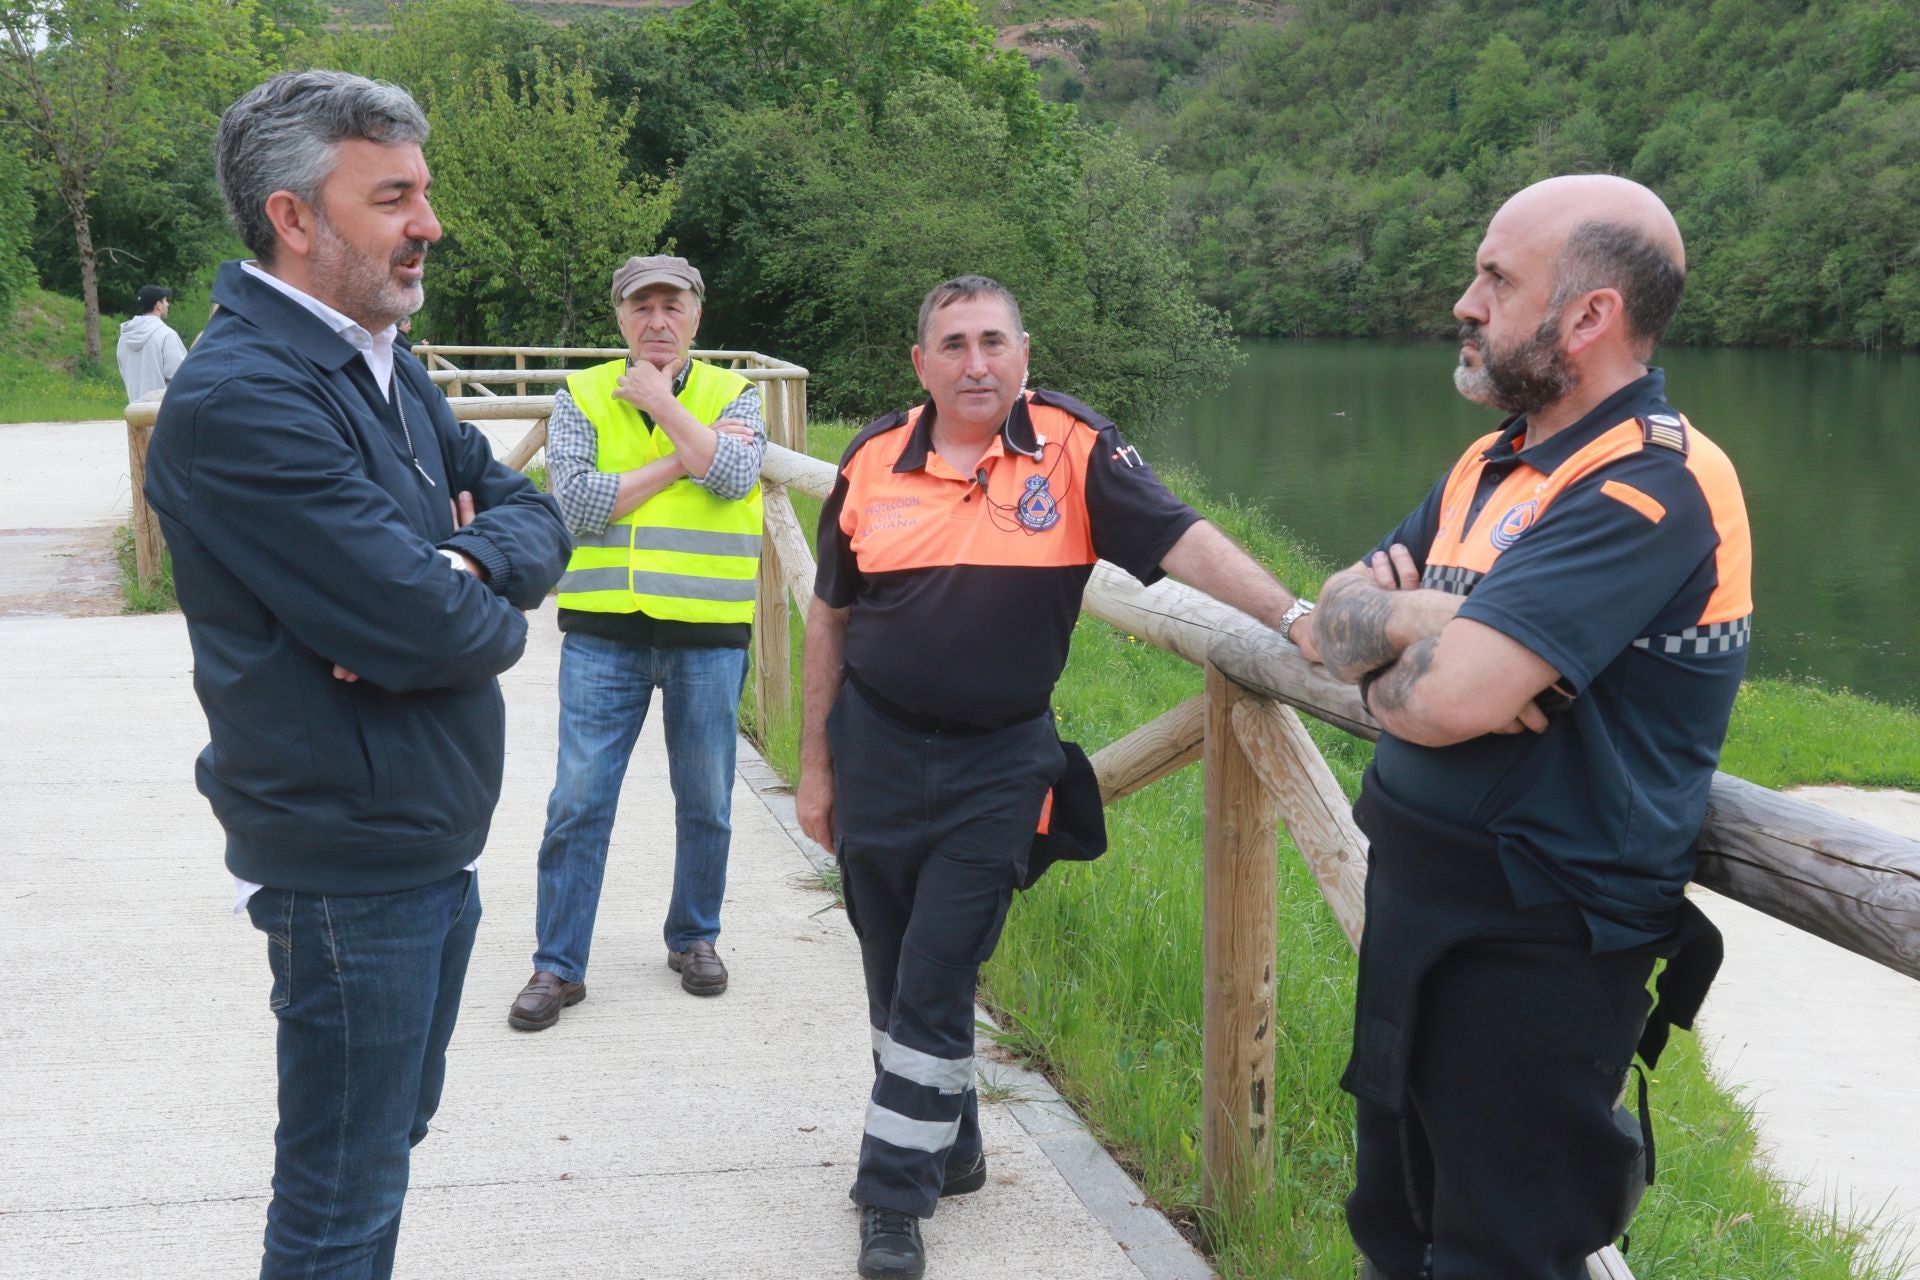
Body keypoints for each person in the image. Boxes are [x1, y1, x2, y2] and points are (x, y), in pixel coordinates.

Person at [797, 275, 1318, 1280]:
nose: (976, 361)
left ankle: (890, 1198)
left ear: (1025, 353)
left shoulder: (1075, 448)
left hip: (1000, 759)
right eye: (952, 344)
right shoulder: (870, 457)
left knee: (940, 967)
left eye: (994, 340)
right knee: (892, 961)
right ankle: (951, 1141)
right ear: (922, 364)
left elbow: (1181, 536)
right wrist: (816, 766)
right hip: (878, 747)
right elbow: (832, 618)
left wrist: (1292, 617)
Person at [141, 69, 571, 1280]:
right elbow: (445, 628)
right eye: (394, 196)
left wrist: (460, 562)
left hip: (426, 833)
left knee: (382, 1147)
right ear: (293, 216)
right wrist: (465, 594)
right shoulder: (243, 398)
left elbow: (533, 511)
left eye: (422, 191)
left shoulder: (382, 358)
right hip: (346, 864)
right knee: (340, 1194)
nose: (428, 221)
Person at [1292, 175, 1752, 1280]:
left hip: (1543, 939)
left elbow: (1448, 701)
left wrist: (1411, 647)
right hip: (1419, 905)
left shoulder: (1653, 480)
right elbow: (1326, 622)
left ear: (1589, 314)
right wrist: (1430, 619)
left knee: (1499, 1252)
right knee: (1393, 1222)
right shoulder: (1491, 461)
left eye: (1496, 279)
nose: (1466, 300)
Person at [508, 254, 767, 1028]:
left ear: (697, 314)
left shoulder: (738, 393)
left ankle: (694, 937)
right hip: (603, 635)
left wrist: (669, 411)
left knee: (708, 802)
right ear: (620, 316)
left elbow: (736, 476)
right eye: (641, 306)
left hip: (708, 634)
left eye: (673, 306)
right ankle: (559, 964)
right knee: (578, 802)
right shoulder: (581, 393)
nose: (658, 320)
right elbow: (581, 505)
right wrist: (684, 449)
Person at [116, 283, 188, 401]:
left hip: (135, 413)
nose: (168, 304)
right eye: (165, 301)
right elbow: (181, 376)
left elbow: (125, 374)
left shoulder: (124, 338)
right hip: (161, 412)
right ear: (158, 305)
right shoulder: (166, 335)